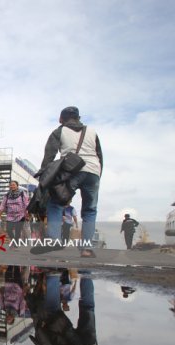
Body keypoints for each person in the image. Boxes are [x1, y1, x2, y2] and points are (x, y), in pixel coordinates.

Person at [35, 106, 103, 257]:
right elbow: (100, 156)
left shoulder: (59, 131)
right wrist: (97, 176)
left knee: (56, 203)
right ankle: (86, 248)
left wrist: (43, 180)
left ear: (61, 119)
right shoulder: (92, 132)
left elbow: (49, 157)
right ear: (79, 117)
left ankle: (54, 240)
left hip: (70, 171)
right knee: (90, 210)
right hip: (93, 171)